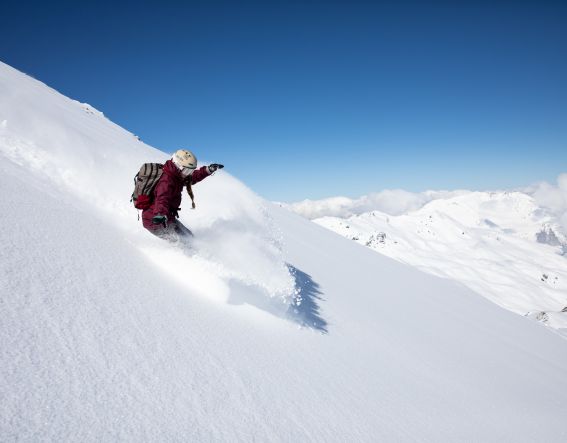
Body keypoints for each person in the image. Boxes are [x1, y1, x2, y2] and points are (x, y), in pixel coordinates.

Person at [142, 149, 223, 242]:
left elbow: (192, 178)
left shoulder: (176, 175)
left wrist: (208, 170)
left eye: (190, 171)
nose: (188, 174)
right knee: (186, 243)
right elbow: (162, 198)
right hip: (155, 221)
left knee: (190, 237)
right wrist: (160, 214)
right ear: (179, 166)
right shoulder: (167, 181)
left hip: (167, 217)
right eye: (187, 171)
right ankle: (193, 256)